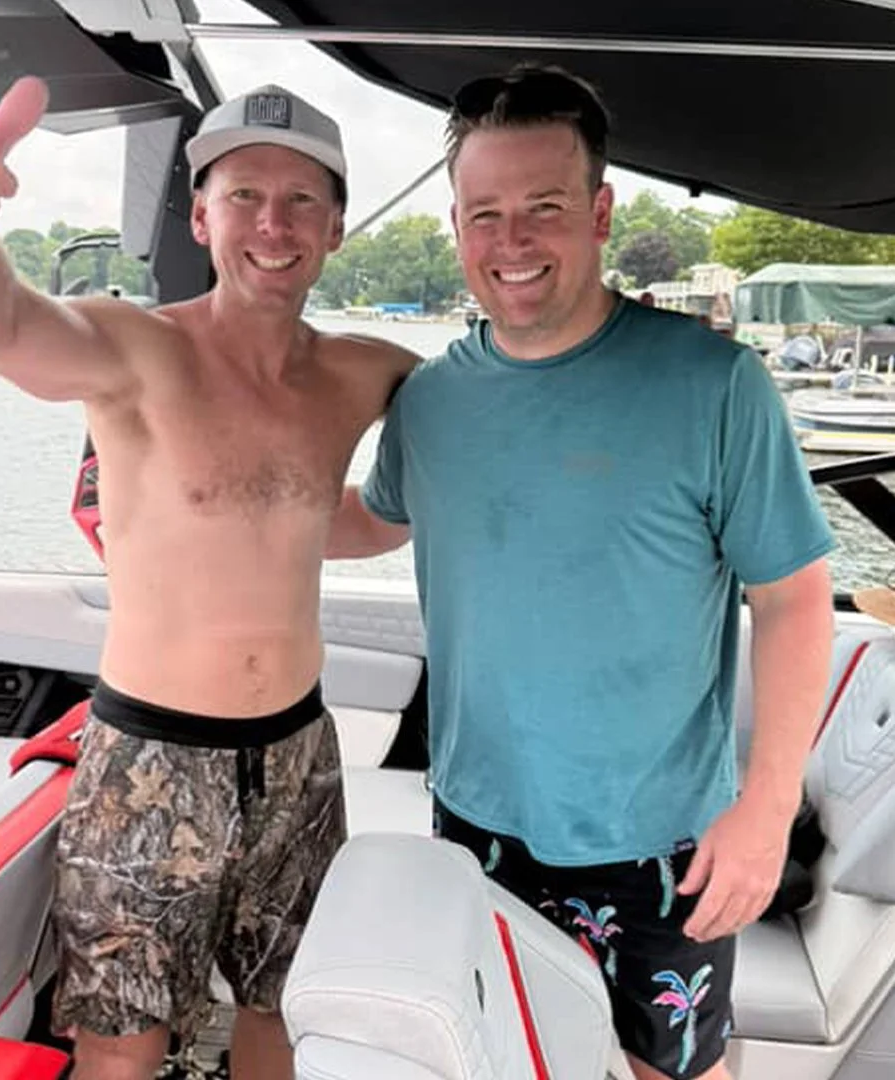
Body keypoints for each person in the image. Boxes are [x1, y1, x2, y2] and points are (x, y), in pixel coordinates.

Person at [0, 78, 416, 1080]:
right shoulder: (135, 348)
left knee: (285, 1008)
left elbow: (343, 512)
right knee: (121, 1043)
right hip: (149, 759)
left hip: (300, 756)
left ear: (335, 227)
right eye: (244, 196)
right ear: (202, 218)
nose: (273, 224)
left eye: (302, 200)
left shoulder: (368, 372)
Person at [327, 66, 834, 1080]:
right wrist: (193, 508)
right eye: (485, 214)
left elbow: (793, 597)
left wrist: (767, 806)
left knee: (673, 1070)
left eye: (544, 208)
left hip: (663, 836)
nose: (511, 241)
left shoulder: (715, 384)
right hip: (477, 821)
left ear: (599, 213)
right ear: (457, 227)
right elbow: (371, 522)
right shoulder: (430, 400)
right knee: (508, 1055)